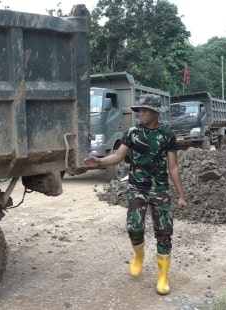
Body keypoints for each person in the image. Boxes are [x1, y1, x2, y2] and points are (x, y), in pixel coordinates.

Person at [83, 94, 186, 295]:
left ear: (155, 112)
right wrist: (100, 162)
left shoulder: (167, 135)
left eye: (144, 110)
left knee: (164, 232)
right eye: (138, 110)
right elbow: (119, 156)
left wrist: (181, 195)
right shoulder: (132, 132)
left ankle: (163, 276)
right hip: (137, 188)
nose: (140, 114)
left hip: (159, 189)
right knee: (134, 227)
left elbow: (173, 167)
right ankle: (139, 256)